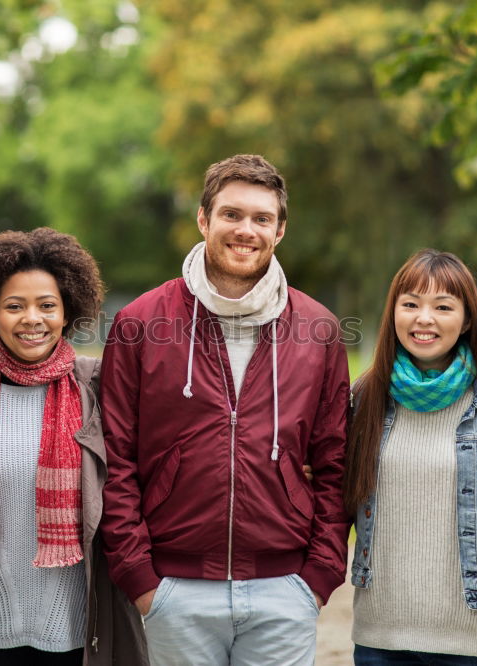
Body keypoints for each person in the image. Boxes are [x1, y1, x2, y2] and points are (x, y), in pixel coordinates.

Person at [99, 154, 350, 665]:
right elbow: (115, 457)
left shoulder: (319, 330)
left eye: (261, 218)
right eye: (231, 214)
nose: (245, 230)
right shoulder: (140, 323)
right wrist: (141, 578)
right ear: (203, 220)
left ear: (280, 231)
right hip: (174, 591)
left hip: (284, 592)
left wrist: (318, 579)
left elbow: (335, 461)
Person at [0, 228, 147, 666]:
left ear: (67, 311)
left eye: (47, 305)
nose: (32, 318)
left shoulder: (98, 384)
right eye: (14, 306)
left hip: (76, 629)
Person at [344, 249, 477, 665]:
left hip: (476, 640)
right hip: (380, 638)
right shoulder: (365, 400)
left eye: (442, 306)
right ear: (394, 313)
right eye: (411, 304)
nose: (424, 318)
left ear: (467, 319)